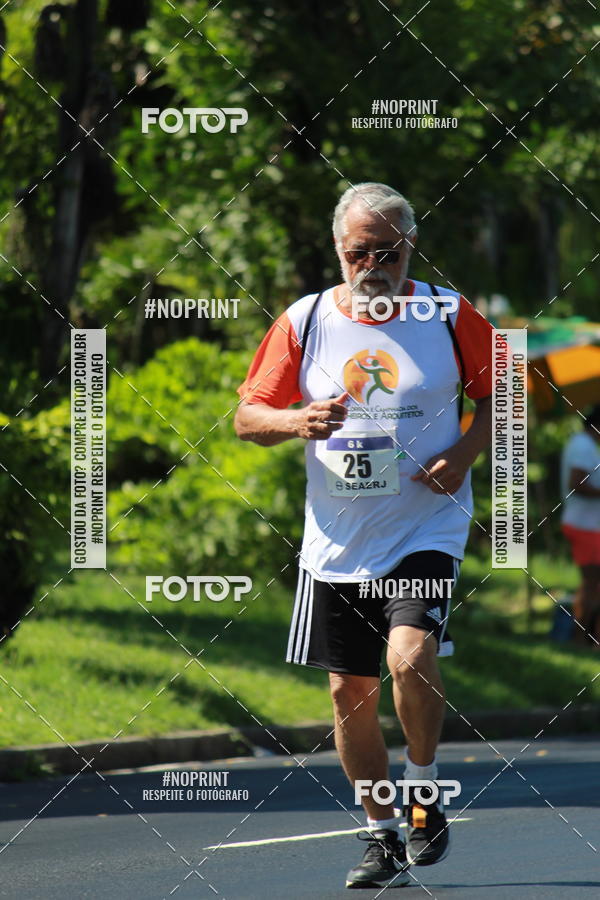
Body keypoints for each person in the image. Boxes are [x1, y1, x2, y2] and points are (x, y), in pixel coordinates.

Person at [234, 182, 493, 889]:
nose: (373, 263)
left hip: (425, 527)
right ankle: (381, 838)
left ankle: (423, 793)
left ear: (410, 246)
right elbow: (249, 415)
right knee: (350, 693)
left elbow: (504, 392)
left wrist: (465, 455)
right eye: (359, 251)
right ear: (339, 251)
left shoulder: (446, 313)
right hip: (337, 541)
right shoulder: (307, 318)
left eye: (389, 250)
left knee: (409, 659)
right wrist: (297, 421)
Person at [560, 404, 600, 647]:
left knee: (592, 583)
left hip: (586, 523)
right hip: (584, 525)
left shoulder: (584, 444)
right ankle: (581, 641)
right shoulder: (584, 446)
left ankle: (587, 640)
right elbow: (577, 482)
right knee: (591, 584)